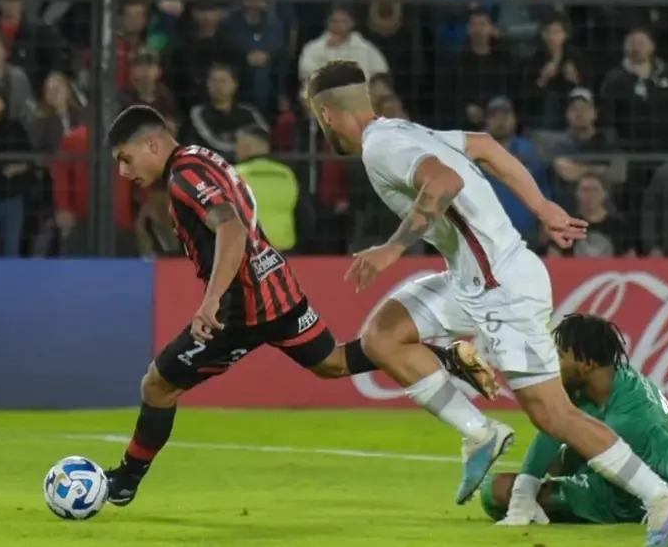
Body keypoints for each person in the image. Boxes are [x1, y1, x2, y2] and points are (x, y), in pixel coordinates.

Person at [302, 59, 668, 547]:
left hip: (502, 287)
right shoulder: (402, 130)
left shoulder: (381, 146)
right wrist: (543, 207)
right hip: (469, 279)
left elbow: (444, 182)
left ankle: (661, 496)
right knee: (384, 335)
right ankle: (479, 431)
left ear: (326, 114)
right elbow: (486, 146)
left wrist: (393, 248)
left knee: (555, 416)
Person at [102, 104, 498, 508]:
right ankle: (444, 357)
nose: (124, 171)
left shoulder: (183, 177)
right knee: (331, 363)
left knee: (158, 386)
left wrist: (212, 299)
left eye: (126, 159)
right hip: (278, 286)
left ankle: (124, 482)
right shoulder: (201, 157)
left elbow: (231, 227)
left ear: (152, 144)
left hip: (244, 308)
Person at [481, 313, 668, 530]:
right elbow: (552, 430)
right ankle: (543, 500)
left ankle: (577, 505)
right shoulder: (601, 384)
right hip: (606, 471)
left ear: (587, 365)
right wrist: (523, 495)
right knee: (551, 456)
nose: (552, 365)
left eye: (559, 356)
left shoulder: (633, 417)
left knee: (497, 490)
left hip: (625, 500)